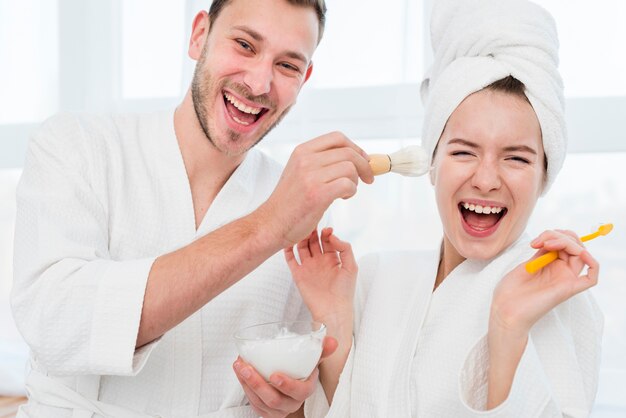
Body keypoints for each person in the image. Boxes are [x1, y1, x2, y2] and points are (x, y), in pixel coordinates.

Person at [11, 0, 374, 417]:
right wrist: (269, 225)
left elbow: (298, 391)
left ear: (305, 78)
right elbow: (55, 320)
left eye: (287, 66)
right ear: (199, 34)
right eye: (244, 44)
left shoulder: (302, 203)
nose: (258, 84)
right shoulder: (77, 146)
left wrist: (288, 403)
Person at [287, 0, 603, 416]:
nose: (486, 179)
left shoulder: (557, 297)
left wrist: (508, 327)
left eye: (516, 158)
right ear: (431, 164)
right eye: (464, 152)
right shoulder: (376, 278)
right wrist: (335, 325)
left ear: (545, 174)